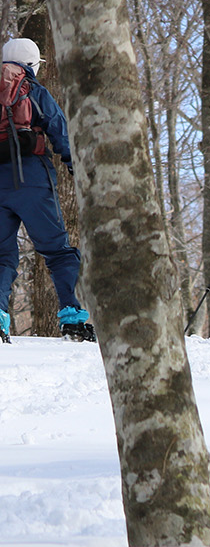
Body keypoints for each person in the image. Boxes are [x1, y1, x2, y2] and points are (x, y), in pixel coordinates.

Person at [0, 37, 91, 342]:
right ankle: (73, 318)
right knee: (58, 250)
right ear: (32, 63)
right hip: (32, 179)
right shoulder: (34, 90)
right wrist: (76, 168)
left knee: (1, 255)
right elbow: (59, 130)